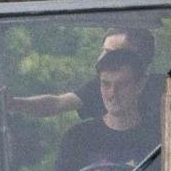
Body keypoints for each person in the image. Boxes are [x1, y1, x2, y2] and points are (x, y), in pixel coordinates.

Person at [51, 47, 161, 171]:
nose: (112, 94)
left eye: (122, 85)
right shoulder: (76, 138)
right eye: (106, 84)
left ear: (140, 85)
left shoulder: (161, 138)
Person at [13, 28, 158, 119]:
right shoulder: (98, 87)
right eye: (103, 51)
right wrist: (13, 104)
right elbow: (57, 103)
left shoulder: (165, 89)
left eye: (110, 53)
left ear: (135, 56)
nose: (100, 58)